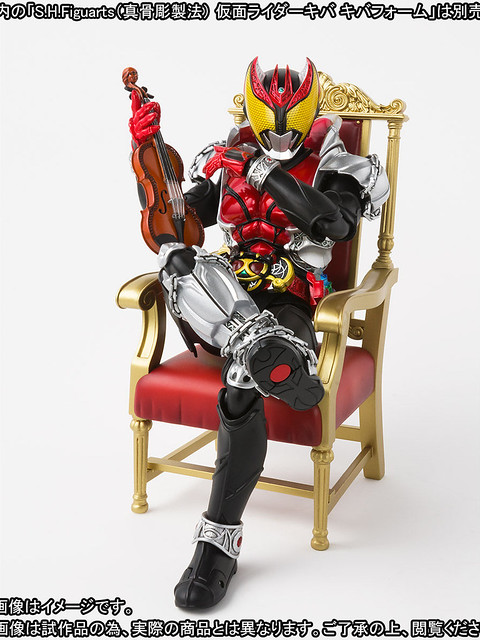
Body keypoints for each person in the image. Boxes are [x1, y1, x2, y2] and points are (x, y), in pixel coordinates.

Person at [128, 57, 389, 609]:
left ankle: (217, 545)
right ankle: (262, 350)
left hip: (294, 299)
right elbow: (177, 224)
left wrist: (263, 172)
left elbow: (336, 224)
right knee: (176, 261)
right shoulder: (230, 153)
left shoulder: (337, 159)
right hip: (222, 302)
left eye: (290, 121)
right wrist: (149, 155)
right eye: (268, 122)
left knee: (243, 375)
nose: (279, 133)